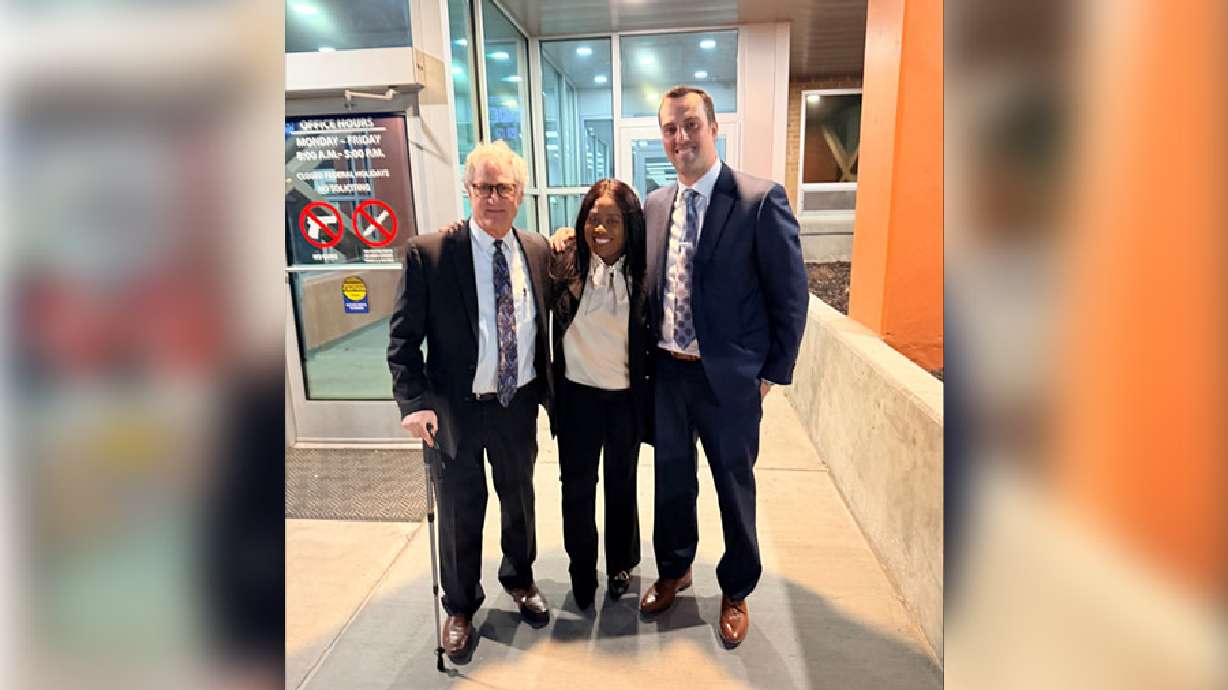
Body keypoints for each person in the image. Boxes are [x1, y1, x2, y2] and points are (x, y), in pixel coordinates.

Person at [638, 86, 808, 648]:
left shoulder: (760, 200)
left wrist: (770, 373)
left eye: (690, 125)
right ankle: (675, 568)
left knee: (733, 487)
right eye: (670, 129)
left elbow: (790, 295)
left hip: (729, 381)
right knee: (671, 482)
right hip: (668, 374)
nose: (680, 138)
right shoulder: (657, 204)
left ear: (713, 128)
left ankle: (736, 589)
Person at [387, 140, 554, 663]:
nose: (492, 197)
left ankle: (520, 579)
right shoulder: (431, 252)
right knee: (460, 510)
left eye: (503, 187)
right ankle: (459, 606)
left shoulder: (538, 249)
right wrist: (413, 401)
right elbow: (402, 340)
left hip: (516, 402)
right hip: (453, 410)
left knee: (519, 498)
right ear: (468, 190)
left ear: (520, 193)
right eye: (482, 187)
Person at [547, 178, 653, 610]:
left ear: (629, 226)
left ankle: (620, 564)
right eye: (594, 219)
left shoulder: (645, 269)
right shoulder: (563, 262)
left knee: (621, 485)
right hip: (577, 398)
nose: (601, 229)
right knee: (576, 487)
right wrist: (559, 236)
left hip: (625, 399)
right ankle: (581, 567)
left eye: (612, 220)